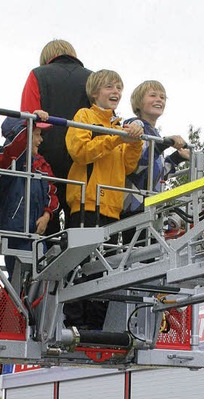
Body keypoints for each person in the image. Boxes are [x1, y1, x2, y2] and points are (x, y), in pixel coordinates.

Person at [64, 69, 143, 330]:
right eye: (110, 87)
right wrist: (115, 138)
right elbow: (79, 152)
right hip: (86, 202)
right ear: (95, 92)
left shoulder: (119, 125)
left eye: (119, 88)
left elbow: (129, 166)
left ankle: (96, 324)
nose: (116, 93)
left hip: (111, 206)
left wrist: (133, 142)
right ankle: (76, 322)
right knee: (80, 265)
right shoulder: (84, 116)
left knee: (103, 266)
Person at [20, 39, 92, 233]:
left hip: (45, 156)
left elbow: (28, 117)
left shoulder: (37, 74)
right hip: (82, 160)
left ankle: (45, 255)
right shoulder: (92, 79)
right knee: (78, 215)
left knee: (44, 210)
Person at [0, 114, 59, 280]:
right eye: (36, 135)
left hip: (37, 232)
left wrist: (47, 215)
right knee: (17, 279)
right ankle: (13, 305)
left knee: (38, 279)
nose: (40, 140)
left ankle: (27, 305)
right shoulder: (7, 157)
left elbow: (52, 192)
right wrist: (30, 122)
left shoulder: (42, 163)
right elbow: (17, 147)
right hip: (15, 230)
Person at [122, 80, 190, 219]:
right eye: (153, 95)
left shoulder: (155, 134)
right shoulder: (135, 124)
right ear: (139, 102)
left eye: (162, 97)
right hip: (134, 204)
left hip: (152, 204)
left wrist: (177, 158)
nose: (159, 99)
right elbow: (137, 165)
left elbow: (157, 174)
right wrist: (164, 144)